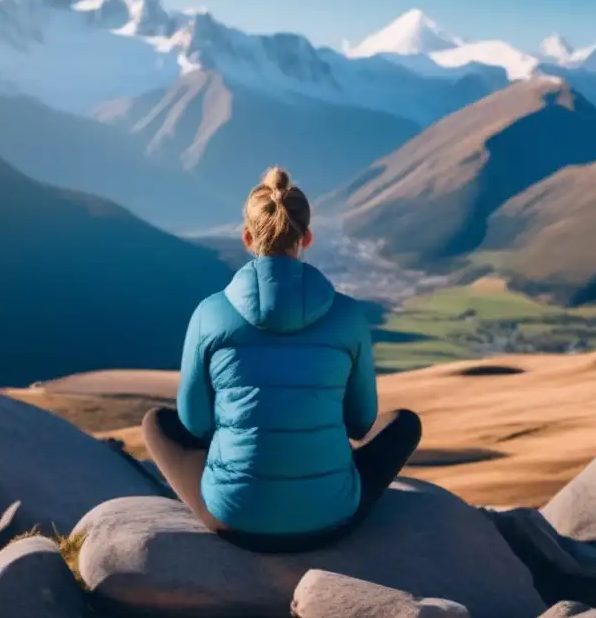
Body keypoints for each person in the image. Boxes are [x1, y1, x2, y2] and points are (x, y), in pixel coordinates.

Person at [142, 166, 422, 554]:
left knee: (157, 423)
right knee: (404, 424)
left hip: (235, 519)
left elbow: (194, 424)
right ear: (306, 237)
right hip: (331, 519)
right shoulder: (349, 315)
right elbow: (360, 424)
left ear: (245, 237)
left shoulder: (210, 313)